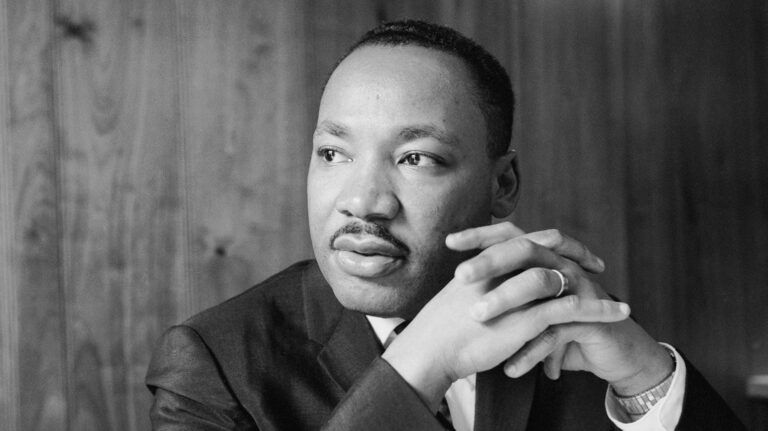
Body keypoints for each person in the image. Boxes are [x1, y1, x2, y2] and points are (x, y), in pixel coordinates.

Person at [146, 20, 744, 430]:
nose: (363, 201)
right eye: (333, 153)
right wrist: (419, 366)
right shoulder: (213, 364)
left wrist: (647, 377)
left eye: (417, 159)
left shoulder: (564, 315)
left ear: (502, 185)